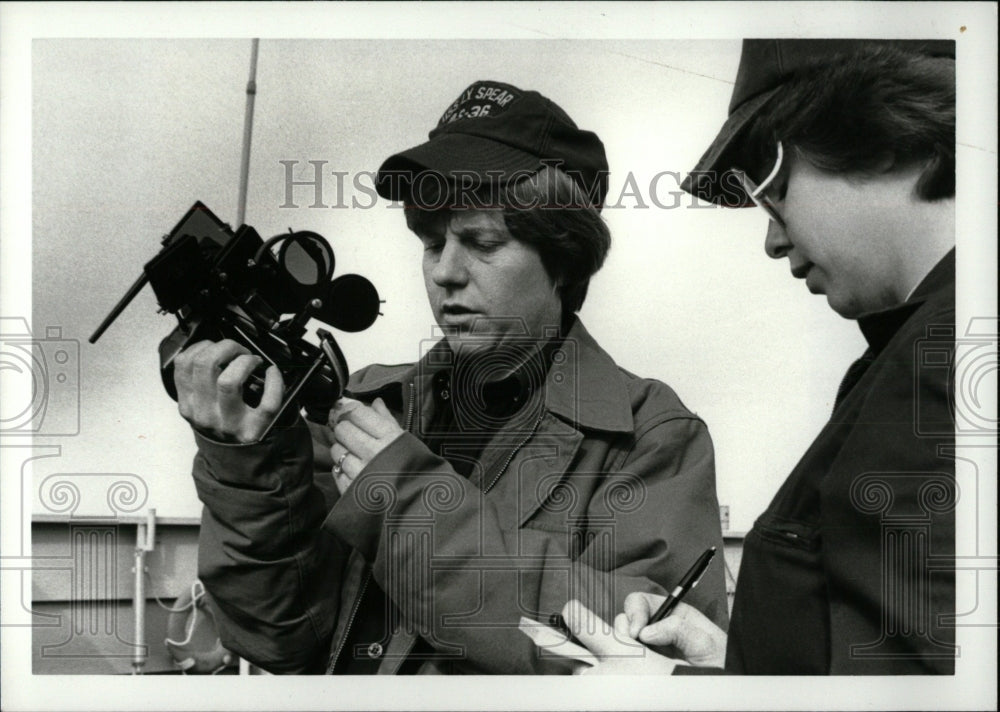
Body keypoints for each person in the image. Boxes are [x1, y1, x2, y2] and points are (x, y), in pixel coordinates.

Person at [174, 80, 728, 674]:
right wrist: (248, 469)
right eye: (431, 241)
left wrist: (410, 504)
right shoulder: (367, 403)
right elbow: (281, 638)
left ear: (564, 260)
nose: (444, 272)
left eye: (481, 242)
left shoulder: (653, 437)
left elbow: (648, 658)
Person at [562, 40, 957, 675]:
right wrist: (735, 659)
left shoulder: (944, 365)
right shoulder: (925, 349)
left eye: (772, 190)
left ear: (880, 135)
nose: (773, 240)